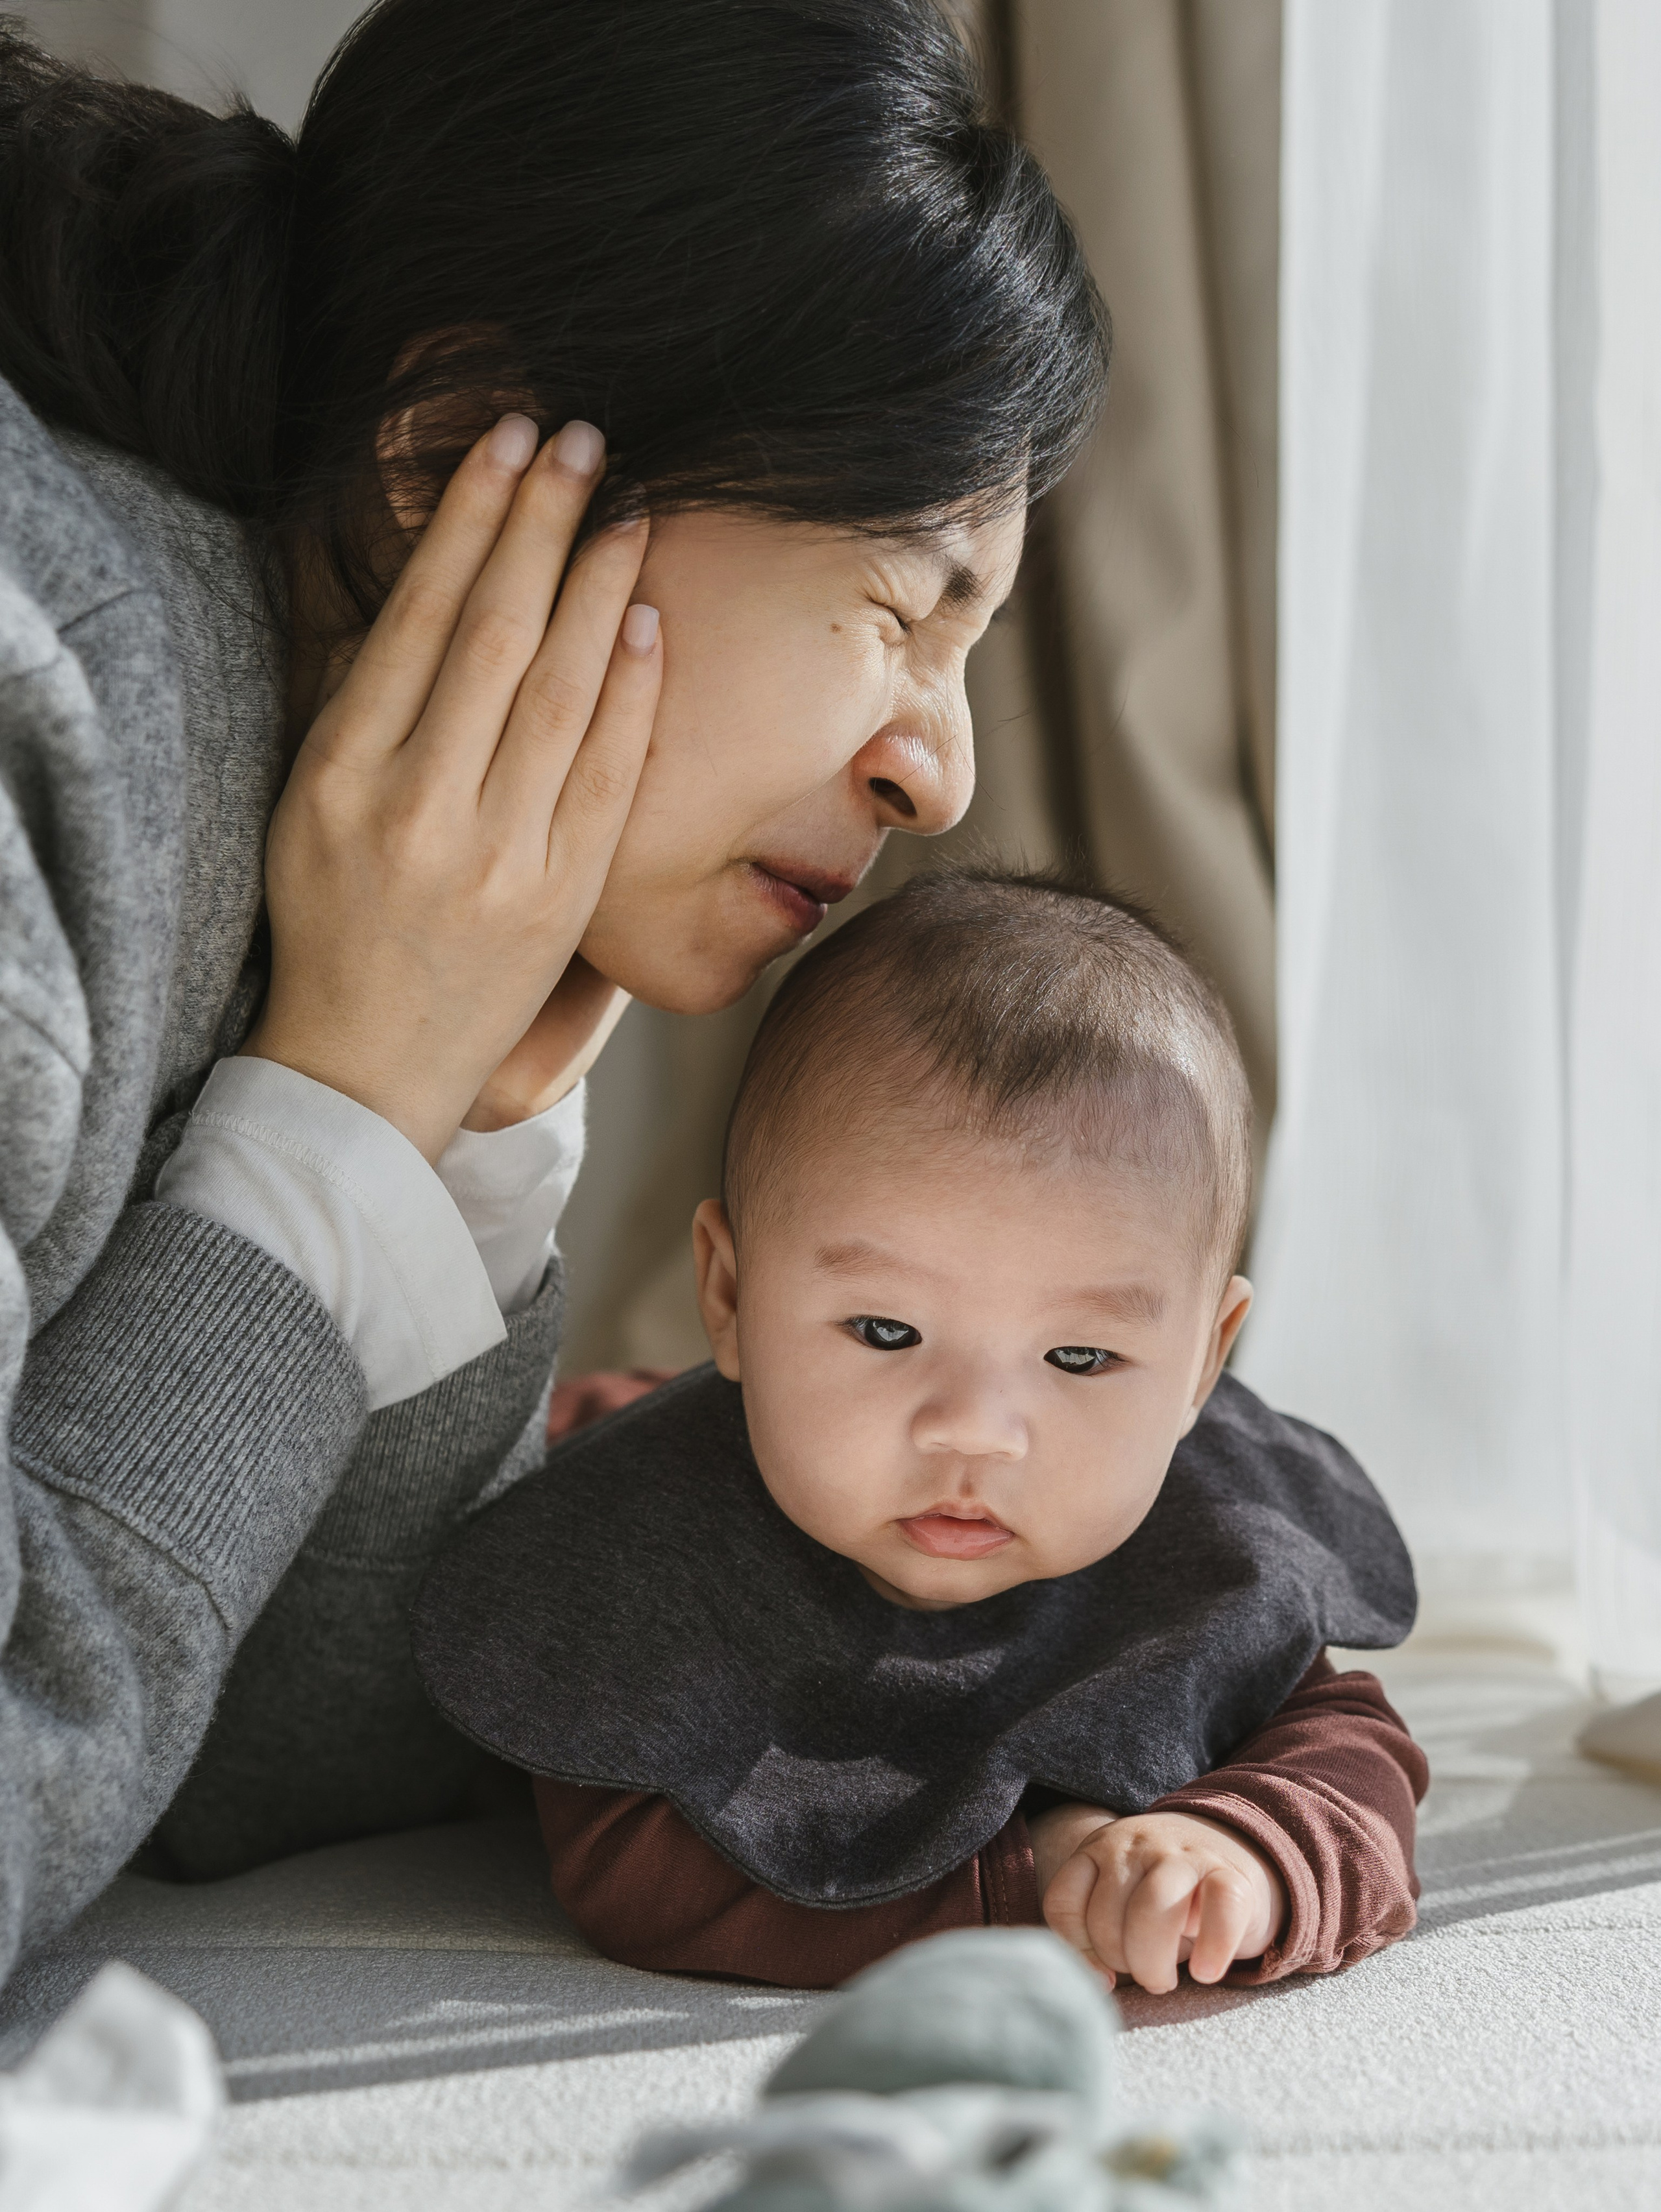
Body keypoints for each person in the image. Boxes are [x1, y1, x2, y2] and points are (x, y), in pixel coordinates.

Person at [0, 0, 1108, 1992]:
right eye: (898, 603)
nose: (937, 775)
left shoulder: (307, 844)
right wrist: (331, 1116)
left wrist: (443, 1134)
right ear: (453, 457)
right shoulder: (45, 694)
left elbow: (271, 1777)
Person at [414, 872, 1427, 1994]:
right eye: (887, 1329)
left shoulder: (1217, 1532)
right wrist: (1024, 1882)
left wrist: (1245, 1847)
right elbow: (636, 1866)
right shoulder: (646, 1550)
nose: (975, 1432)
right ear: (730, 1294)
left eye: (1081, 1358)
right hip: (631, 1430)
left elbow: (1354, 1753)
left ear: (1203, 1360)